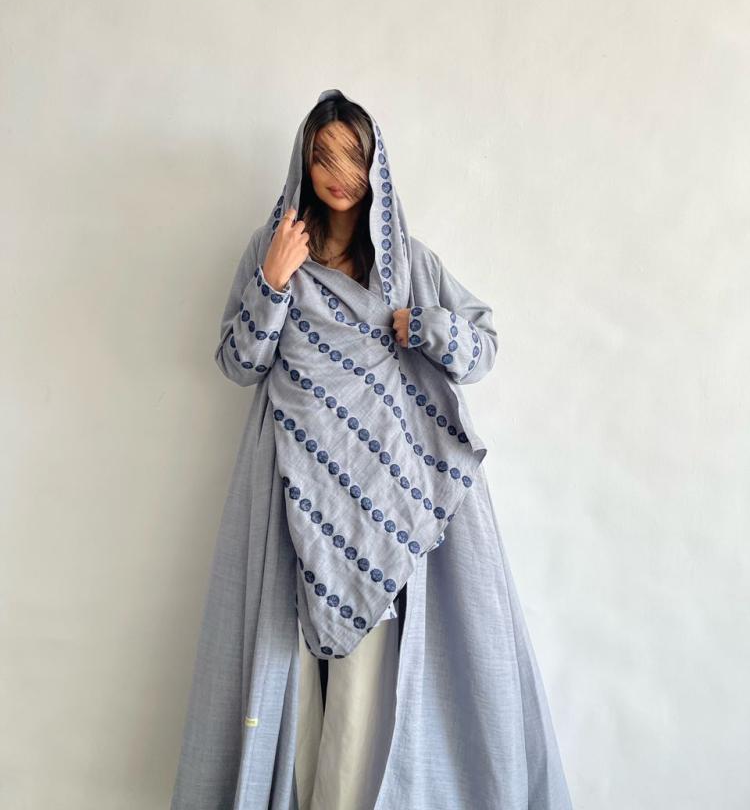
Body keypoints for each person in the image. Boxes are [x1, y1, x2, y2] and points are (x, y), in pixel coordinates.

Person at [170, 89, 574, 810]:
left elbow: (482, 347)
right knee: (289, 682)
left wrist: (424, 327)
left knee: (366, 696)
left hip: (387, 501)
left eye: (353, 157)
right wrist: (272, 280)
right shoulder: (275, 247)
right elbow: (239, 363)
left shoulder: (408, 262)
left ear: (376, 164)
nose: (339, 175)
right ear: (303, 163)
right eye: (323, 157)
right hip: (292, 493)